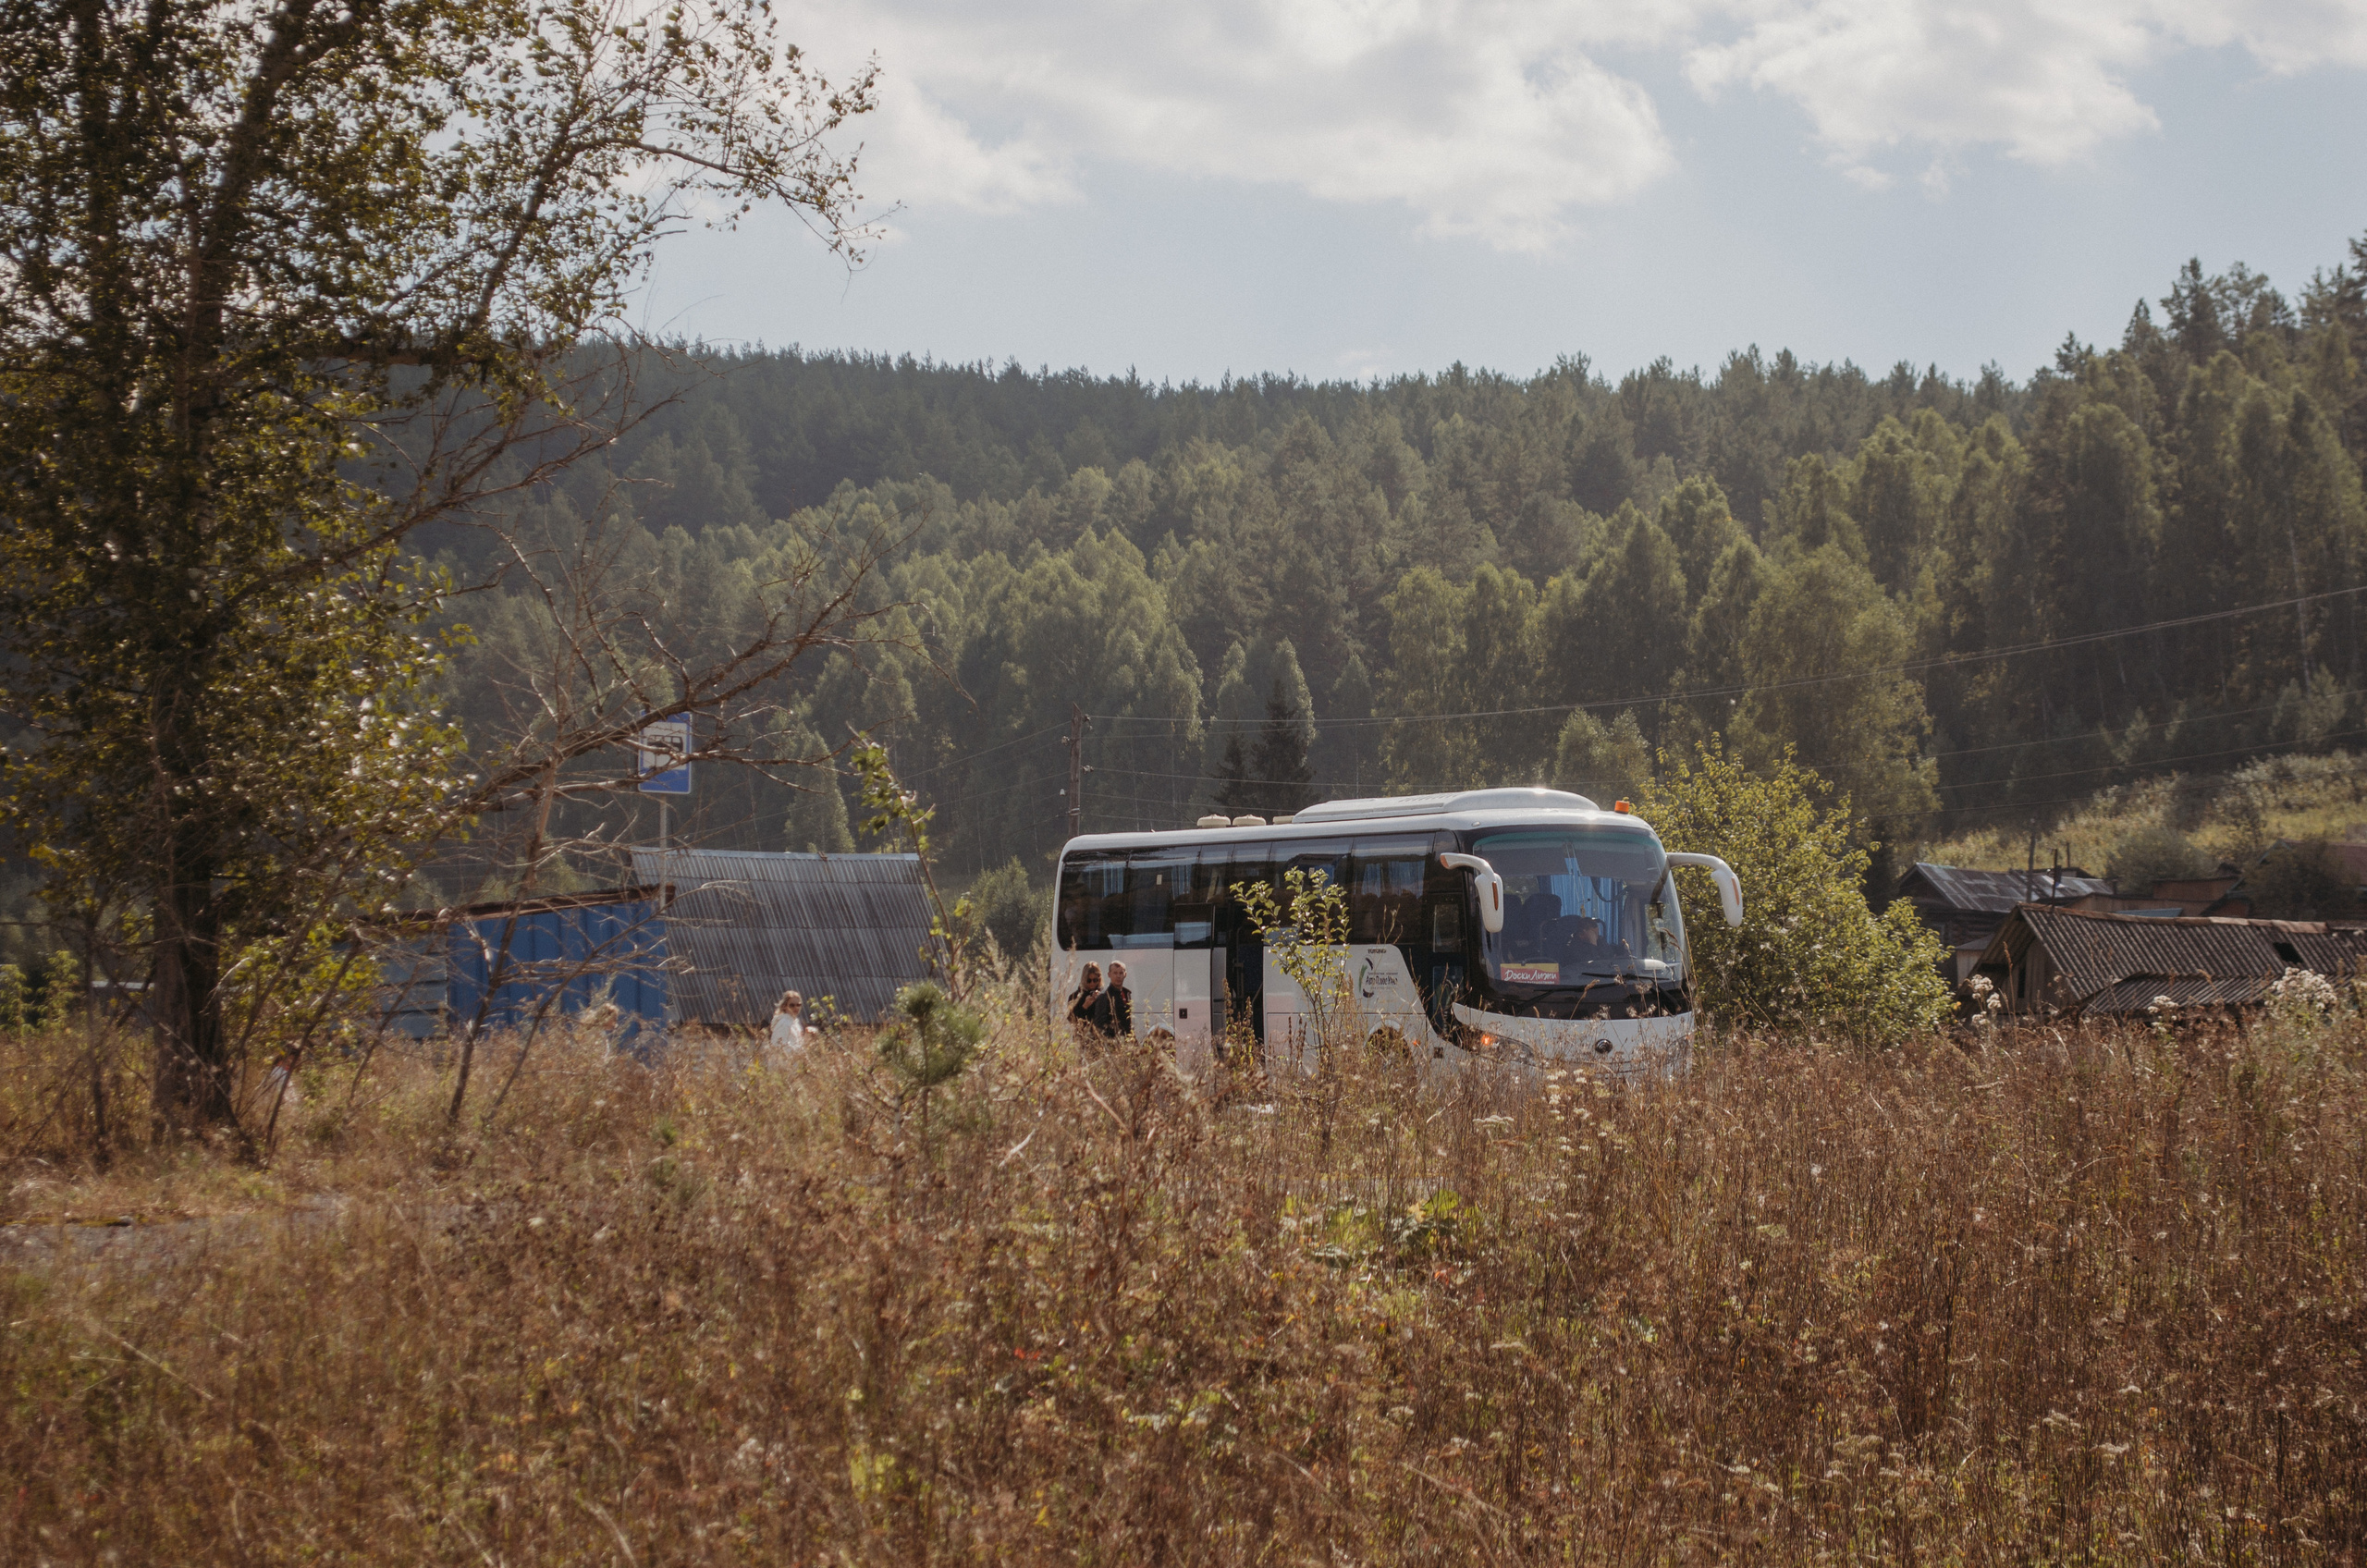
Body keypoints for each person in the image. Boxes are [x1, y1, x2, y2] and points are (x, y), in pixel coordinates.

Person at [767, 989, 807, 1058]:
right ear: (784, 1006)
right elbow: (778, 1048)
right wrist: (799, 1051)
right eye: (792, 1005)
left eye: (798, 1005)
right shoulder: (783, 1023)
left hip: (795, 1064)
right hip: (784, 1065)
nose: (796, 1008)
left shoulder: (795, 1023)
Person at [1104, 960, 1134, 1039]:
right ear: (1109, 975)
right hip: (1112, 1040)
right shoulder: (1105, 995)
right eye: (1115, 973)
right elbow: (1100, 1022)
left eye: (1121, 973)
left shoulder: (1127, 993)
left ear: (1125, 975)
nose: (1118, 976)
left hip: (1126, 1040)